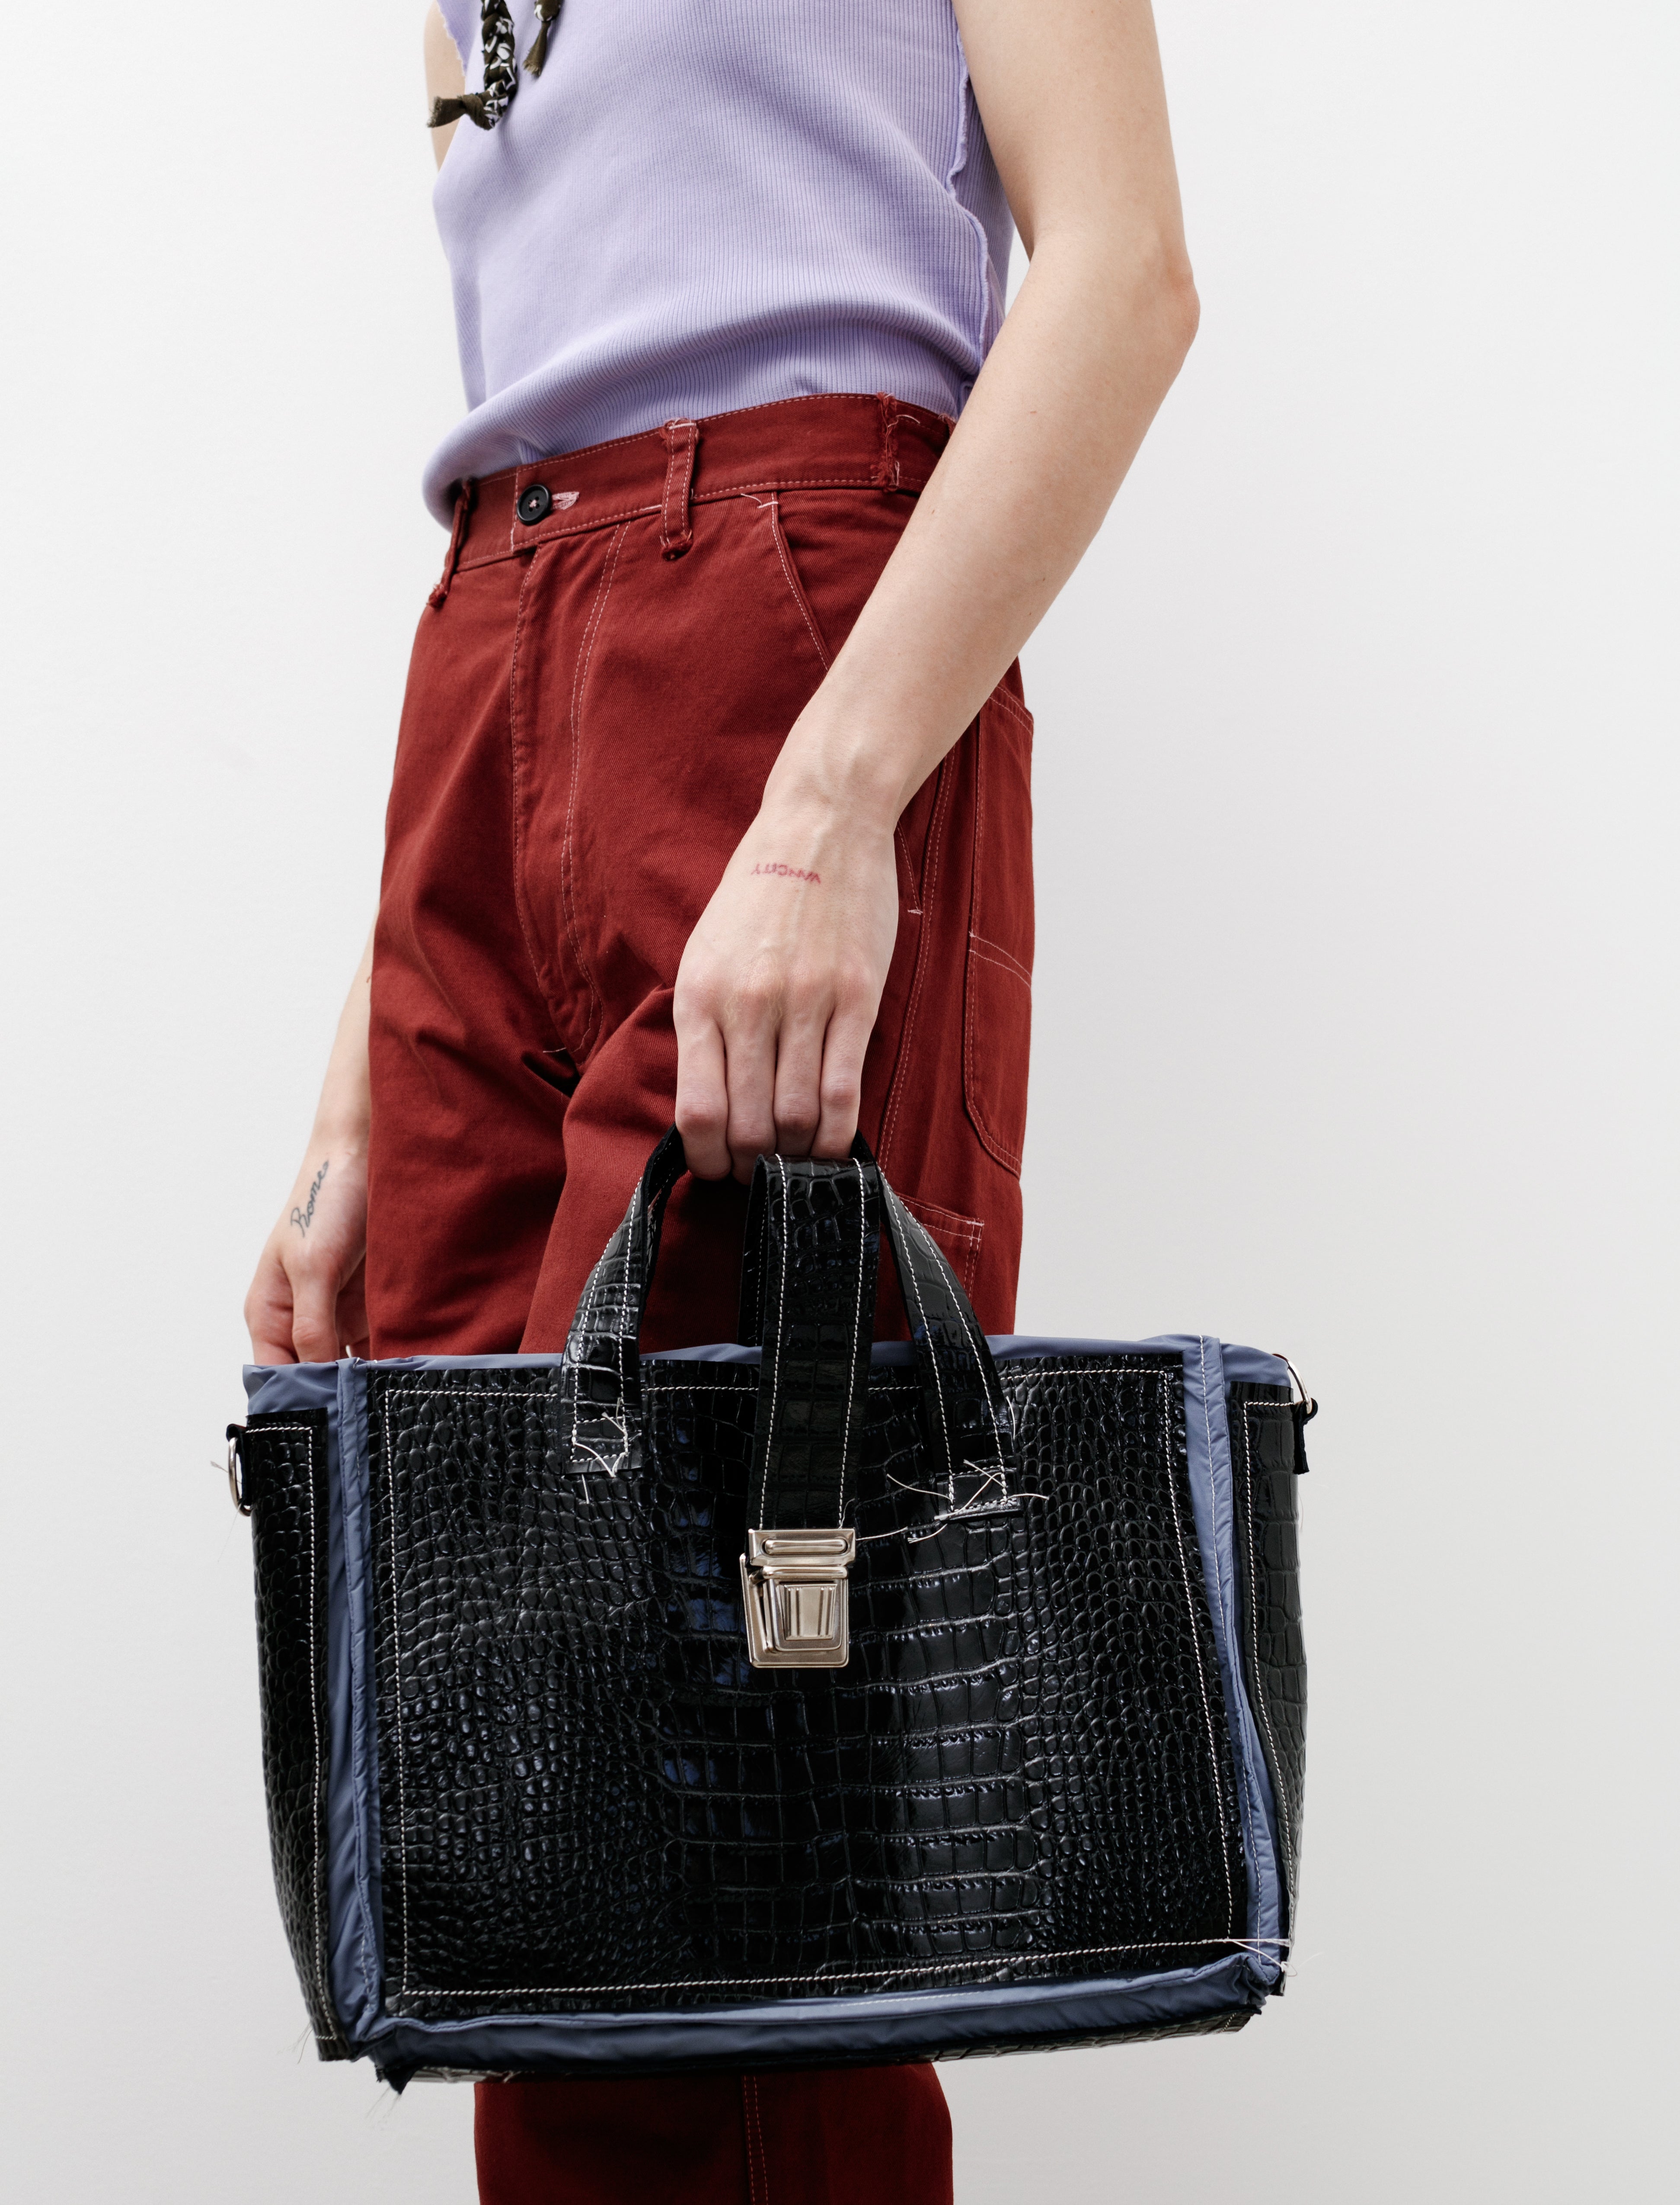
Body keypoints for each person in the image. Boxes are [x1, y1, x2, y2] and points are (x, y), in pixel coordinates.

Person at [243, 0, 1198, 2195]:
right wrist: (360, 1077)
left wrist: (835, 801)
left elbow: (1125, 268)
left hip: (790, 643)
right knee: (519, 1795)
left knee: (738, 1761)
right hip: (487, 667)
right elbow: (546, 373)